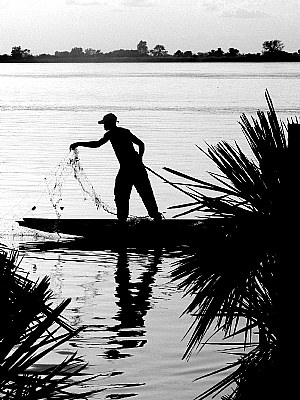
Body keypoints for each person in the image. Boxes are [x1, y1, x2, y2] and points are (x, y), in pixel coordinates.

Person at [70, 113, 162, 223]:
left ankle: (123, 222)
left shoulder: (111, 134)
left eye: (105, 123)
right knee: (145, 194)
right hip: (137, 168)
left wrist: (78, 143)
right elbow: (141, 144)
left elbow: (97, 144)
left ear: (110, 123)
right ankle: (156, 218)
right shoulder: (124, 131)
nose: (103, 126)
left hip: (127, 170)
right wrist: (140, 159)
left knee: (123, 195)